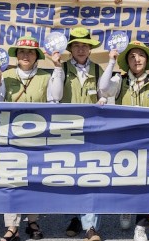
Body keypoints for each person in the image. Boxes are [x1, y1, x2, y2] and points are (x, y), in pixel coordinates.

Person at [0, 37, 62, 241]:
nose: (25, 55)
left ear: (36, 56)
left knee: (34, 179)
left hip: (37, 136)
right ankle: (12, 226)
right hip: (11, 135)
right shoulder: (5, 75)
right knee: (11, 180)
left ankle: (33, 221)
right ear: (16, 55)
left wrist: (58, 68)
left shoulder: (45, 76)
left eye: (30, 52)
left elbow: (55, 99)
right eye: (21, 52)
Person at [97, 41, 149, 241]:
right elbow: (103, 88)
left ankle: (141, 226)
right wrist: (111, 62)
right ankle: (126, 208)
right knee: (125, 180)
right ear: (126, 61)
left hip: (148, 143)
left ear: (147, 59)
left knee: (146, 184)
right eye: (132, 56)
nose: (137, 59)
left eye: (140, 55)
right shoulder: (119, 80)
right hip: (124, 142)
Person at [51, 28, 106, 241]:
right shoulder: (62, 67)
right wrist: (57, 68)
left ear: (90, 49)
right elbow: (55, 96)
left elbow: (105, 96)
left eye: (85, 45)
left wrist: (103, 100)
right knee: (70, 178)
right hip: (67, 132)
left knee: (91, 176)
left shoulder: (99, 70)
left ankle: (91, 227)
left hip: (92, 132)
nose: (81, 49)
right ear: (70, 49)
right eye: (76, 46)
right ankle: (74, 218)